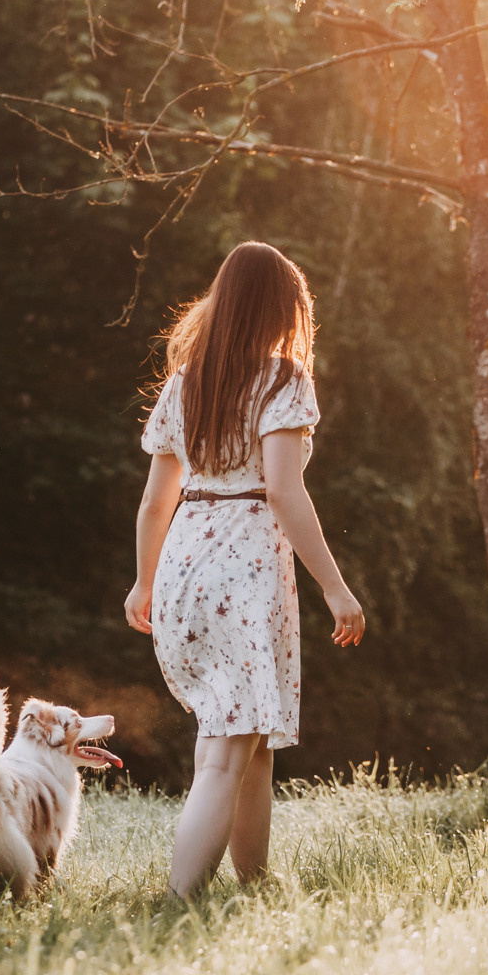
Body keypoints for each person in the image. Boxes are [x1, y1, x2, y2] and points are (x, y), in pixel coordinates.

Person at [124, 242, 365, 898]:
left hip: (181, 566)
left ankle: (255, 885)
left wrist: (145, 582)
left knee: (250, 746)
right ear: (283, 307)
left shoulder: (184, 383)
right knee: (227, 753)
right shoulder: (284, 380)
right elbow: (284, 492)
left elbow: (154, 502)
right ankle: (179, 900)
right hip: (246, 569)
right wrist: (336, 589)